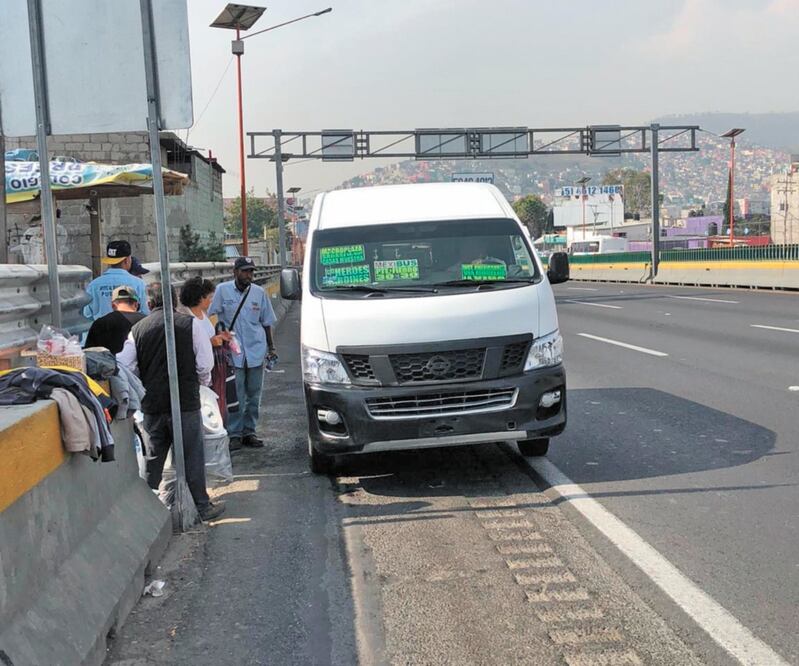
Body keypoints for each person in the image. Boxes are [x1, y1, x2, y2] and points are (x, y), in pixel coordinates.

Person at [117, 283, 224, 522]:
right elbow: (205, 363)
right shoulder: (191, 325)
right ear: (175, 301)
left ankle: (147, 508)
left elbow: (125, 364)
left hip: (152, 404)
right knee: (191, 455)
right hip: (185, 401)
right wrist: (200, 383)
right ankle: (201, 506)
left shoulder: (138, 330)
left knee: (153, 457)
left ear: (148, 303)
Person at [208, 257, 277, 450]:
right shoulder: (222, 290)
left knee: (254, 395)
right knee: (235, 395)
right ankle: (235, 433)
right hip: (232, 354)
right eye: (245, 271)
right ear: (235, 272)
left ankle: (250, 431)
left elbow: (266, 322)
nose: (249, 275)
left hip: (255, 350)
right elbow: (210, 315)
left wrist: (271, 348)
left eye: (251, 272)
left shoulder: (259, 293)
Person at [179, 277, 237, 426]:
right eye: (209, 297)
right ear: (200, 298)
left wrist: (220, 338)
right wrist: (211, 342)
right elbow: (190, 344)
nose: (211, 301)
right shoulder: (185, 317)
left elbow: (206, 338)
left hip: (211, 370)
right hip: (198, 373)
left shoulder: (203, 315)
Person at [84, 240, 150, 321]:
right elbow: (146, 313)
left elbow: (87, 313)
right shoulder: (139, 284)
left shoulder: (94, 285)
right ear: (127, 260)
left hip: (103, 331)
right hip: (130, 331)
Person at [83, 285, 146, 354]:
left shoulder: (101, 323)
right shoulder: (146, 322)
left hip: (109, 364)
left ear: (113, 305)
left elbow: (90, 353)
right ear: (136, 304)